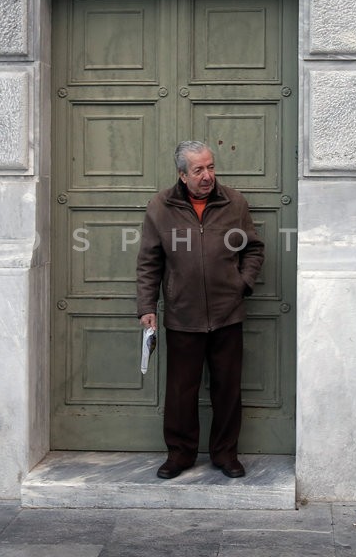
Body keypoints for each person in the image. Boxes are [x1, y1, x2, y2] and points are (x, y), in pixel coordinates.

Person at [136, 140, 264, 480]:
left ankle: (225, 454)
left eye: (210, 167)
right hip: (183, 315)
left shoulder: (233, 203)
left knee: (227, 389)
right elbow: (149, 262)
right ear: (182, 175)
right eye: (198, 170)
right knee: (181, 392)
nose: (207, 175)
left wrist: (242, 284)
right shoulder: (160, 207)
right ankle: (180, 455)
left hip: (227, 314)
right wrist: (147, 306)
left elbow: (253, 249)